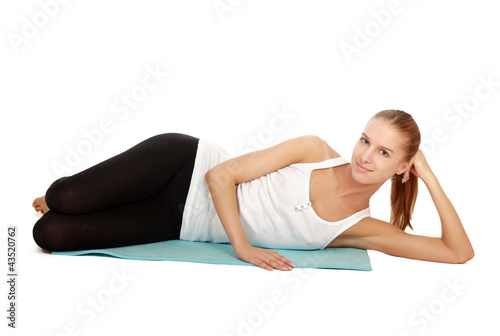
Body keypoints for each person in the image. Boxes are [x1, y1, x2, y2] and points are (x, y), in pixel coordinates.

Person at [32, 110, 474, 271]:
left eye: (383, 153)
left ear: (402, 167)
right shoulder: (314, 150)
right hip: (183, 164)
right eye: (365, 140)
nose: (364, 156)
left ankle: (88, 198)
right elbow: (220, 176)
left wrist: (431, 179)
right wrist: (242, 246)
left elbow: (458, 254)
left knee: (50, 236)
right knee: (65, 200)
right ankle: (67, 192)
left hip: (178, 222)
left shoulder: (361, 229)